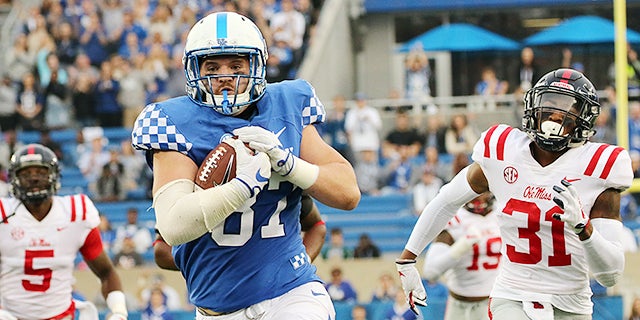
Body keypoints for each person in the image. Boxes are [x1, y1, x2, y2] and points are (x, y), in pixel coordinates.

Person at [131, 11, 360, 319]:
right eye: (212, 66)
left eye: (236, 64)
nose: (225, 75)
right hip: (219, 308)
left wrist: (290, 165)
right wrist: (242, 187)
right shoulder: (173, 121)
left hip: (292, 293)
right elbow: (173, 226)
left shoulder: (288, 102)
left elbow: (348, 194)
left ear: (257, 65)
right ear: (193, 70)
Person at [395, 68, 633, 319]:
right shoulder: (504, 151)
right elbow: (446, 200)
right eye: (550, 102)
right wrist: (408, 259)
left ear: (583, 118)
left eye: (568, 107)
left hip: (571, 304)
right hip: (512, 295)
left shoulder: (599, 167)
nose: (555, 113)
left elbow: (610, 275)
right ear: (533, 105)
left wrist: (584, 230)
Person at [0, 144, 128, 319]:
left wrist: (119, 311)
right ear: (15, 179)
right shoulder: (3, 214)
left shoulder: (75, 212)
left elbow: (106, 272)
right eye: (26, 174)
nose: (34, 179)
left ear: (53, 175)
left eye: (41, 172)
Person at [152, 193, 328, 270]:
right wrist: (206, 266)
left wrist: (298, 264)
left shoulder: (279, 164)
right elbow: (162, 249)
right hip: (220, 295)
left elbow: (316, 225)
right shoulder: (200, 164)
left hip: (280, 289)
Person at [421, 192, 501, 320]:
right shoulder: (455, 219)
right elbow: (430, 272)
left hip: (496, 302)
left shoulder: (502, 213)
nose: (478, 197)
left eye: (483, 191)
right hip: (459, 304)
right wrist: (462, 246)